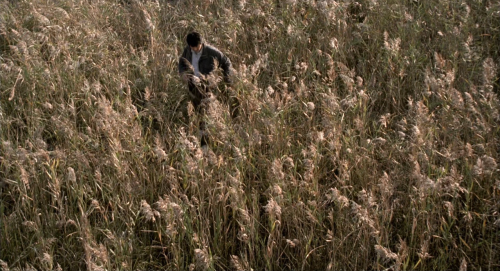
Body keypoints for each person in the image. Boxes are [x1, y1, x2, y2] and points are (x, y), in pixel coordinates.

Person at [178, 31, 238, 147]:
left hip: (207, 87)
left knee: (208, 113)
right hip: (193, 87)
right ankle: (202, 140)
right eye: (192, 47)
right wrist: (183, 74)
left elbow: (226, 62)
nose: (195, 49)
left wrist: (227, 80)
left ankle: (212, 141)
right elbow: (181, 62)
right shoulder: (187, 50)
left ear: (201, 43)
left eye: (197, 47)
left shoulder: (211, 52)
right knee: (198, 113)